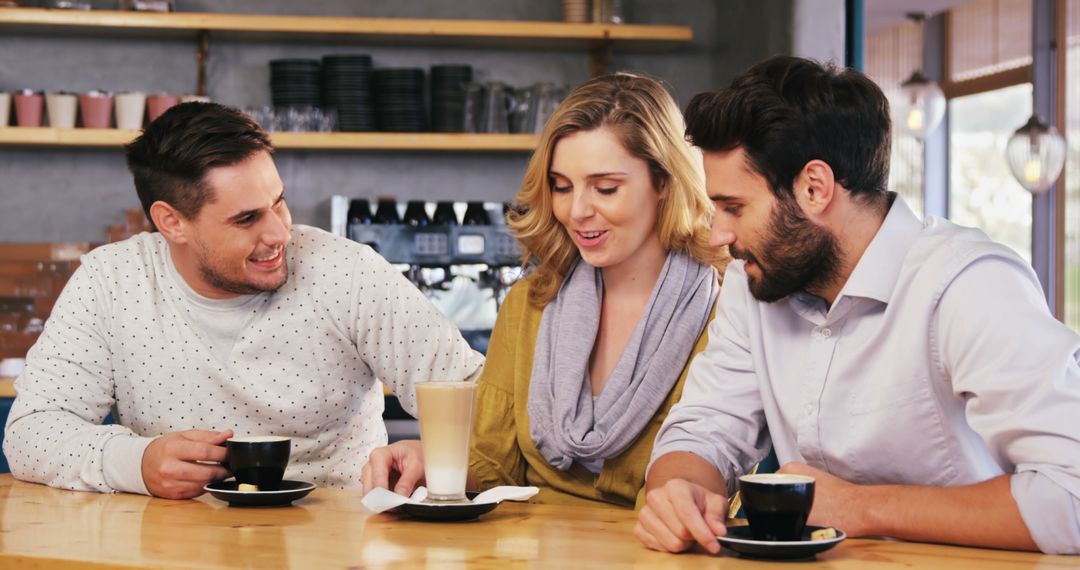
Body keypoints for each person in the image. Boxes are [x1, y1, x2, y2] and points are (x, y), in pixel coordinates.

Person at [635, 54, 1080, 555]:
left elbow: (1072, 495)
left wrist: (861, 508)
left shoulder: (968, 285)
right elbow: (704, 427)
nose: (719, 235)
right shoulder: (753, 278)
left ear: (814, 188)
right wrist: (681, 489)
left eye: (734, 207)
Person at [3, 102, 484, 499]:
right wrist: (138, 463)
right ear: (172, 223)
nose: (280, 232)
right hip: (171, 547)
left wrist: (445, 454)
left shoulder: (347, 272)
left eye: (279, 201)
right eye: (247, 218)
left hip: (340, 542)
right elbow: (31, 433)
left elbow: (482, 399)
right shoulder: (110, 281)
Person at [362, 72, 729, 508]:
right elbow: (493, 463)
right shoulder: (530, 305)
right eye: (562, 186)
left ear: (664, 182)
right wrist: (435, 462)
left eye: (606, 188)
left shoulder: (724, 315)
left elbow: (709, 473)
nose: (577, 211)